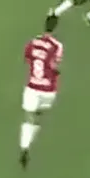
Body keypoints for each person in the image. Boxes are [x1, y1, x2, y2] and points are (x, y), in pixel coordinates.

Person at [21, 14, 63, 169]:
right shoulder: (57, 45)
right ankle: (30, 140)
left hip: (32, 86)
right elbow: (56, 65)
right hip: (48, 89)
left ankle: (25, 147)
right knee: (38, 116)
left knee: (28, 118)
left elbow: (27, 59)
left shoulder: (32, 43)